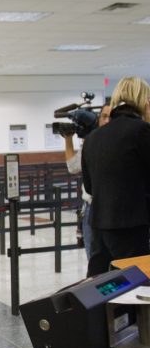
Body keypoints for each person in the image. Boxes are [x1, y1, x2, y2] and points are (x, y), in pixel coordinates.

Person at [83, 77, 150, 276]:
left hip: (99, 226)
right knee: (134, 286)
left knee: (101, 286)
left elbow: (89, 187)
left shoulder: (94, 137)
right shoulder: (141, 131)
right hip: (132, 226)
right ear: (144, 101)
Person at [63, 102, 111, 260]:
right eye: (104, 116)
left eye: (111, 117)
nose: (107, 121)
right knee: (94, 260)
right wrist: (68, 139)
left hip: (115, 207)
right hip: (92, 207)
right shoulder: (92, 142)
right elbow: (73, 167)